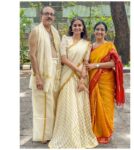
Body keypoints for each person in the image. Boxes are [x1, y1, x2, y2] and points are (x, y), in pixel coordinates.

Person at [48, 17, 98, 148]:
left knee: (79, 106)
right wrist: (77, 69)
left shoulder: (87, 43)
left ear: (83, 28)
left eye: (79, 25)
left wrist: (82, 78)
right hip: (68, 76)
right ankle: (66, 135)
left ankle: (79, 135)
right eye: (75, 25)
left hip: (81, 77)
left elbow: (86, 62)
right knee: (67, 105)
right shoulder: (65, 39)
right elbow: (63, 59)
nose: (77, 27)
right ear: (71, 27)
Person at [85, 21, 125, 144]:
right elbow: (86, 63)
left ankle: (105, 132)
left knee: (106, 106)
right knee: (94, 105)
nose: (99, 32)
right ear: (94, 31)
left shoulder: (109, 46)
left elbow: (114, 63)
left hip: (106, 80)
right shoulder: (90, 46)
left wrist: (95, 65)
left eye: (102, 30)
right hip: (93, 79)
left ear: (105, 32)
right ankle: (95, 131)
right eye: (97, 29)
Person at [28, 6, 61, 143]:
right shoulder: (36, 31)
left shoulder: (54, 32)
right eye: (46, 13)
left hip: (55, 71)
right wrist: (38, 77)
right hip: (42, 72)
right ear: (41, 15)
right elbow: (32, 55)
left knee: (52, 104)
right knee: (42, 105)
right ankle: (42, 136)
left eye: (52, 14)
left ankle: (51, 133)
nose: (49, 16)